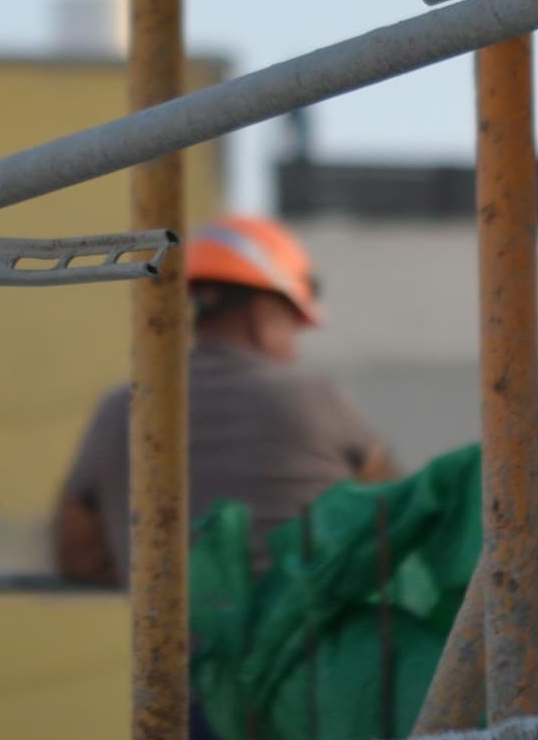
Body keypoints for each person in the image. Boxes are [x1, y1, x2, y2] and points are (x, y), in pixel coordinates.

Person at [53, 212, 399, 589]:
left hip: (172, 646)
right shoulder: (315, 400)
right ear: (264, 318)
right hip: (310, 646)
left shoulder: (122, 408)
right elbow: (398, 519)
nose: (295, 351)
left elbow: (78, 556)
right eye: (292, 327)